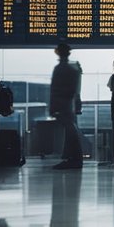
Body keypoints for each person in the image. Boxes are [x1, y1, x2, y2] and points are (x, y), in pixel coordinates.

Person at [49, 42, 84, 170]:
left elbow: (55, 90)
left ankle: (73, 159)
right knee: (71, 131)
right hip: (68, 105)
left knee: (70, 132)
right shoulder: (73, 69)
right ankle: (73, 158)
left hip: (62, 105)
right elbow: (74, 90)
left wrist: (54, 107)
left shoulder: (60, 69)